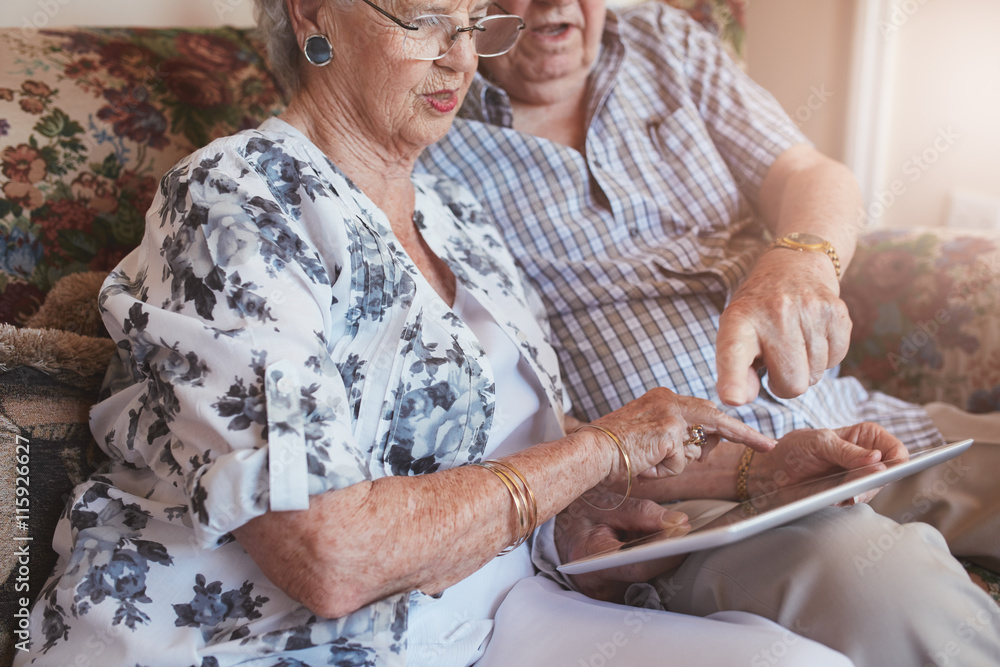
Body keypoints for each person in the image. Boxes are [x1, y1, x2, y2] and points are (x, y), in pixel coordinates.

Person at [11, 2, 993, 667]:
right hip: (265, 639)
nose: (454, 51)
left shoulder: (459, 223)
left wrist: (757, 471)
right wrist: (595, 449)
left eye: (467, 16)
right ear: (312, 15)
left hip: (473, 617)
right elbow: (329, 556)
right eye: (420, 13)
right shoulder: (238, 200)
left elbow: (532, 474)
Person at [417, 0, 1000, 663]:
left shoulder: (663, 40)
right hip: (699, 503)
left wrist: (802, 259)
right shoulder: (428, 127)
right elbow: (493, 420)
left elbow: (809, 174)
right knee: (885, 593)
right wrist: (737, 472)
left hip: (853, 425)